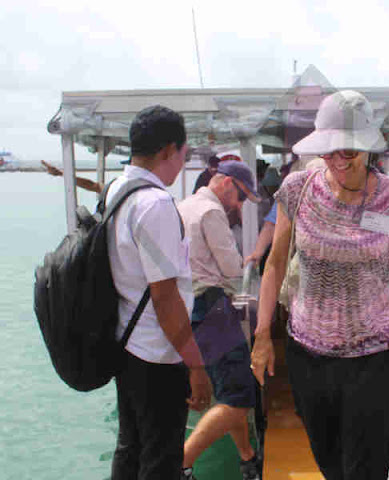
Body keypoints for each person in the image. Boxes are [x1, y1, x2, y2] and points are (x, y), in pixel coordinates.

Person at [250, 90, 389, 480]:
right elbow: (274, 264)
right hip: (308, 355)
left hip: (372, 358)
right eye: (329, 151)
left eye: (349, 151)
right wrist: (261, 336)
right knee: (329, 463)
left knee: (365, 471)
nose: (338, 160)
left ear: (368, 149)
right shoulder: (297, 187)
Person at [106, 105, 212, 479]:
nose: (184, 161)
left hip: (126, 341)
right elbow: (165, 297)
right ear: (169, 150)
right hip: (157, 352)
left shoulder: (119, 189)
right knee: (161, 458)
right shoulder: (155, 204)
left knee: (131, 446)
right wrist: (197, 365)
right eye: (184, 152)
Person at [178, 160, 262, 480]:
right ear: (226, 182)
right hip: (212, 306)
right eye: (241, 197)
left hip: (187, 307)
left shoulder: (183, 206)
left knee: (229, 393)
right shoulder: (211, 213)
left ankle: (248, 458)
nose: (240, 204)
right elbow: (232, 268)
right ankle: (181, 462)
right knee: (241, 396)